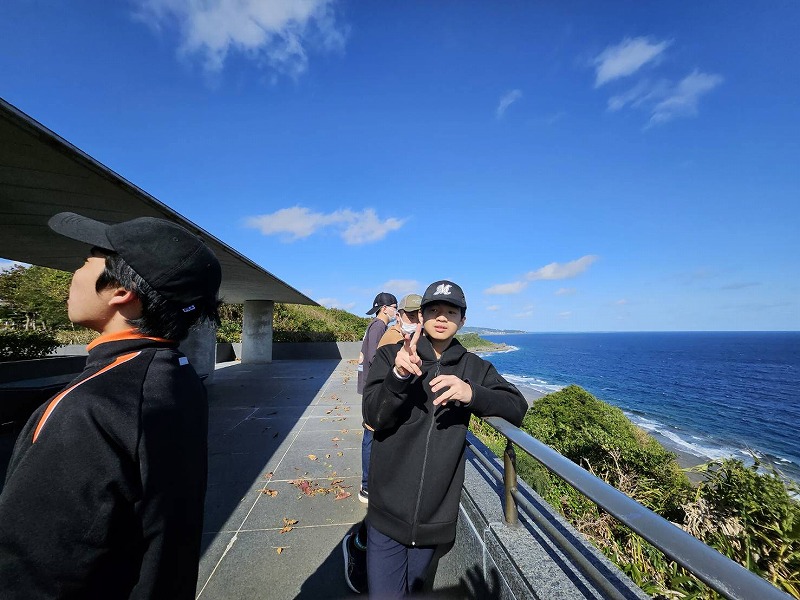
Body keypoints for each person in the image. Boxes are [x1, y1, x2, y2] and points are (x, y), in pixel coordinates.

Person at [0, 212, 221, 599]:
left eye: (87, 260)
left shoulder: (91, 407)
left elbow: (33, 573)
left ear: (121, 290)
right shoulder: (177, 376)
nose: (75, 274)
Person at [362, 280, 528, 597]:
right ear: (421, 316)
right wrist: (398, 377)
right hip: (386, 513)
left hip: (434, 519)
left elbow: (516, 407)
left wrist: (472, 393)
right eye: (434, 310)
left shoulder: (474, 367)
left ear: (462, 320)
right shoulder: (391, 356)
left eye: (451, 312)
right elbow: (373, 416)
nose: (442, 317)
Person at [356, 291, 398, 504]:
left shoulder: (375, 325)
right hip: (373, 388)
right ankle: (366, 487)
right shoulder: (379, 327)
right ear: (385, 308)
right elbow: (376, 357)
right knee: (370, 436)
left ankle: (369, 483)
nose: (396, 312)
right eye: (395, 308)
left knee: (371, 435)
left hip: (370, 387)